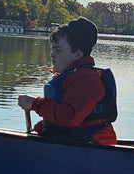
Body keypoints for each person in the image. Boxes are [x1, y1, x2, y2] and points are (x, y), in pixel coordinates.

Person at [17, 16, 118, 145]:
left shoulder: (87, 79)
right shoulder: (72, 76)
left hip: (93, 148)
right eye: (52, 49)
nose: (52, 54)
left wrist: (35, 104)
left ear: (78, 54)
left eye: (58, 50)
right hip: (75, 145)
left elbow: (69, 117)